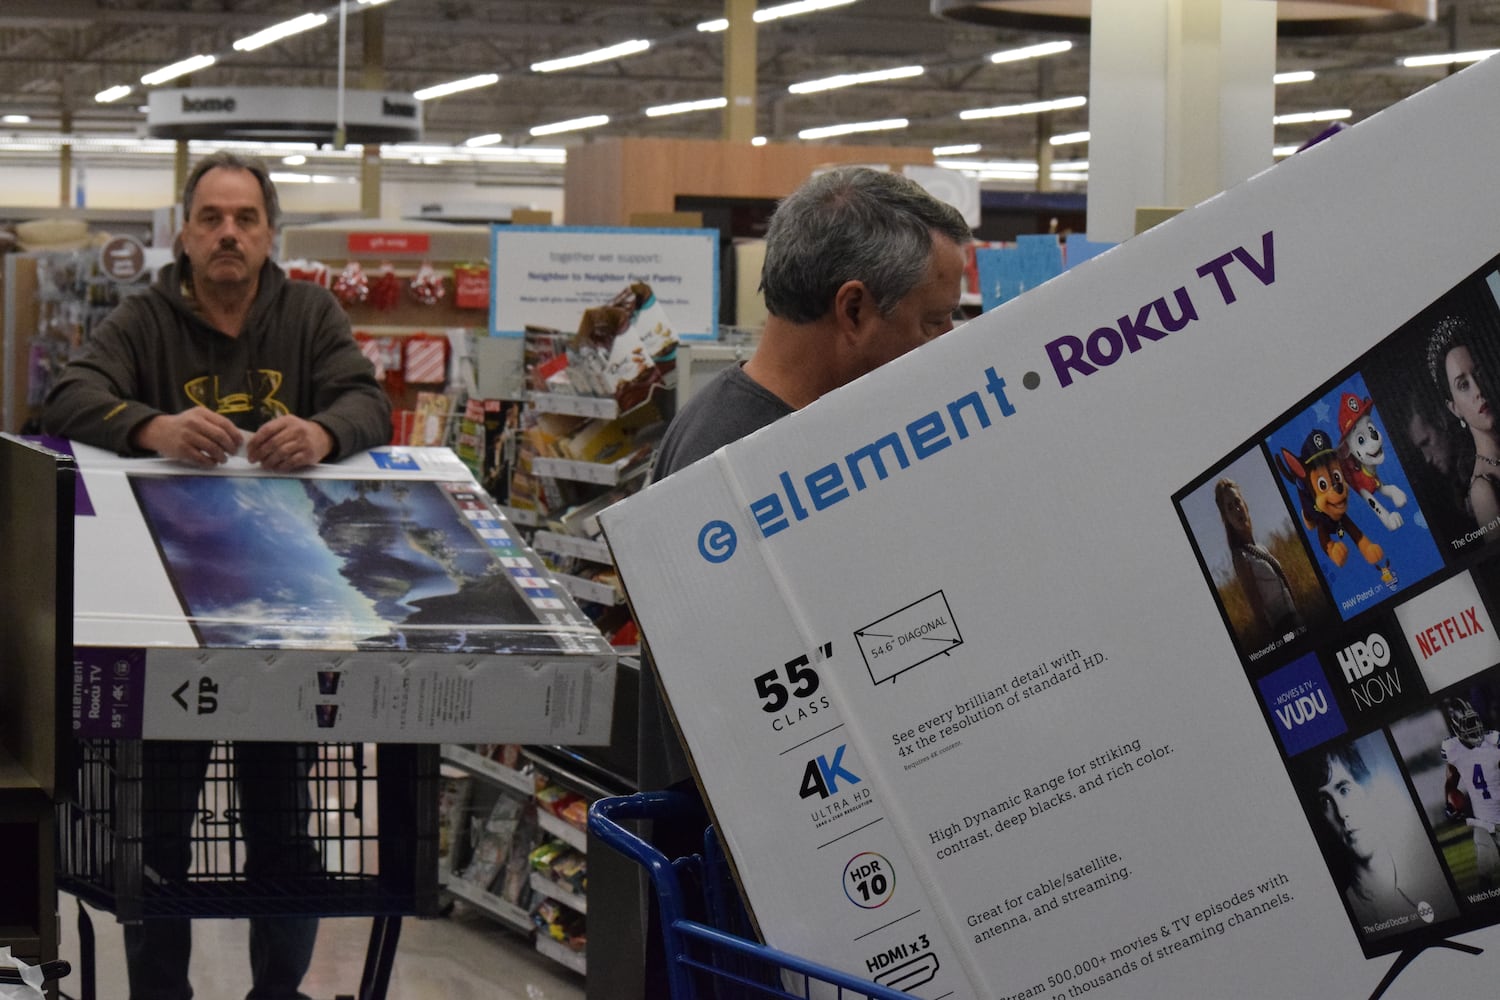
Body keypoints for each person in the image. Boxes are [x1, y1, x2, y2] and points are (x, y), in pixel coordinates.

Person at [42, 151, 391, 1000]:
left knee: (284, 833)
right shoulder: (145, 318)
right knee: (156, 838)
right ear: (185, 234)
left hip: (291, 616)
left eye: (245, 218)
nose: (228, 233)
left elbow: (367, 401)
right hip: (169, 622)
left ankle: (279, 993)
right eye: (211, 218)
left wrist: (320, 432)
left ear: (270, 233)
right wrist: (152, 427)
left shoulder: (308, 313)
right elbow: (70, 395)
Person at [637, 165, 970, 992]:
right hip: (768, 914)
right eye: (932, 323)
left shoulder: (774, 435)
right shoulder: (739, 472)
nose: (947, 347)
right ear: (854, 309)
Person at [1297, 735, 1458, 938]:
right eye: (1325, 802)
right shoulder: (1345, 915)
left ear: (1368, 790)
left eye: (1344, 790)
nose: (1341, 812)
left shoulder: (1431, 874)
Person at [1425, 312, 1500, 535]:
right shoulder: (1483, 489)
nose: (1478, 390)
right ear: (1454, 408)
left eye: (1478, 373)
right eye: (1463, 385)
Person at [1214, 477, 1301, 641]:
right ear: (1227, 519)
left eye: (1237, 502)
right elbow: (1258, 614)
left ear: (1245, 504)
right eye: (1230, 508)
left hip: (1296, 619)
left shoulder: (1261, 548)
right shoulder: (1240, 557)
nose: (1237, 510)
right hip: (1283, 628)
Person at [1441, 696, 1500, 888]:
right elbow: (1450, 781)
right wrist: (1450, 801)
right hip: (1483, 822)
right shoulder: (1453, 750)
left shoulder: (1494, 742)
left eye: (1475, 721)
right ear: (1457, 726)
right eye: (1469, 723)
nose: (1475, 727)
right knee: (1485, 877)